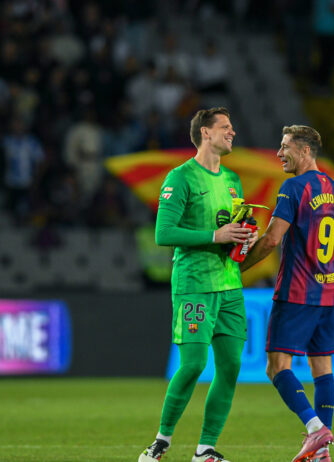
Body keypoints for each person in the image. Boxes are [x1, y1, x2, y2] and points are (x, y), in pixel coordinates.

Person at [139, 108, 257, 462]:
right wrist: (215, 235)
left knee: (231, 367)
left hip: (230, 286)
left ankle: (205, 450)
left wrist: (242, 238)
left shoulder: (233, 180)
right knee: (192, 364)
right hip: (194, 283)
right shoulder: (180, 177)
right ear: (205, 133)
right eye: (225, 127)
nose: (232, 132)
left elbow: (231, 227)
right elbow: (164, 233)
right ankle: (160, 442)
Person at [240, 125, 334, 462]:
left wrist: (238, 267)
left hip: (296, 292)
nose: (279, 153)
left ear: (306, 151)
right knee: (323, 369)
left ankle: (315, 427)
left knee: (277, 367)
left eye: (285, 146)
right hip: (329, 295)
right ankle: (323, 454)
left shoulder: (294, 188)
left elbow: (273, 239)